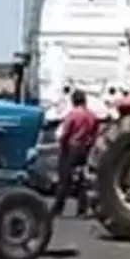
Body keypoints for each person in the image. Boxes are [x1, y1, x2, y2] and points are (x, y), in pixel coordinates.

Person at [51, 89, 99, 218]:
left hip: (71, 147)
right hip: (84, 149)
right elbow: (95, 134)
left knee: (64, 179)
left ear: (73, 101)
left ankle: (58, 208)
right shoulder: (91, 115)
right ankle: (82, 209)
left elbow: (66, 133)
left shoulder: (72, 115)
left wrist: (62, 145)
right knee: (82, 180)